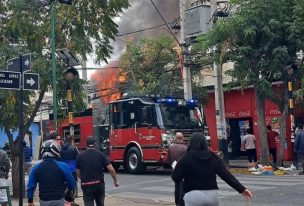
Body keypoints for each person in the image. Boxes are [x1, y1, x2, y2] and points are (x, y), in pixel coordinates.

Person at [172, 133, 252, 206]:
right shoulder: (213, 157)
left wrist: (178, 169)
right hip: (212, 195)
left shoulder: (186, 158)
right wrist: (242, 189)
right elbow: (226, 175)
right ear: (205, 143)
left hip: (193, 196)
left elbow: (176, 177)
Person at [27, 139, 75, 206]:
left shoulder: (36, 167)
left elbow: (30, 185)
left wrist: (30, 200)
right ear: (56, 151)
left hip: (44, 200)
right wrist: (69, 192)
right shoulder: (63, 166)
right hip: (59, 199)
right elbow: (71, 183)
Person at [76, 137, 119, 206]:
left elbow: (78, 172)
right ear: (95, 144)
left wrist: (84, 178)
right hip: (99, 185)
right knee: (100, 203)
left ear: (85, 144)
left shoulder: (80, 156)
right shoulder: (101, 155)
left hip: (86, 186)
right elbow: (111, 169)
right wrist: (115, 181)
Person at [168, 132, 187, 206]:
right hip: (184, 171)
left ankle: (177, 203)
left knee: (177, 187)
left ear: (175, 138)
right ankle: (181, 204)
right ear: (183, 138)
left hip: (175, 170)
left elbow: (168, 161)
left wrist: (174, 166)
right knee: (182, 188)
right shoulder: (186, 148)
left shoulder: (170, 148)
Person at [60, 136, 79, 205]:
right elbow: (78, 158)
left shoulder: (61, 148)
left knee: (64, 184)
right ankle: (71, 199)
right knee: (73, 184)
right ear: (71, 141)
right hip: (72, 169)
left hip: (63, 169)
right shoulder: (74, 148)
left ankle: (64, 199)